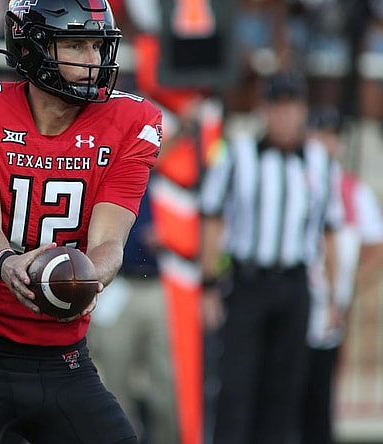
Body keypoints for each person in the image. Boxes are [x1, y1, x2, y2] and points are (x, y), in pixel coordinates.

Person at [0, 1, 162, 442]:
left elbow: (110, 240)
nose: (94, 61)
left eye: (98, 46)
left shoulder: (133, 121)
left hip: (63, 359)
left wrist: (91, 276)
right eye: (75, 44)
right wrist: (5, 262)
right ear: (30, 43)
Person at [199, 71, 345, 444]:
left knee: (284, 390)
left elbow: (329, 232)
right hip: (248, 283)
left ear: (303, 110)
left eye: (291, 108)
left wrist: (331, 296)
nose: (284, 117)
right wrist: (209, 284)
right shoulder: (238, 154)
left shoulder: (320, 161)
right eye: (277, 108)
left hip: (296, 284)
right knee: (236, 386)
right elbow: (212, 218)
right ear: (264, 110)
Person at [296, 107, 383, 444]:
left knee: (319, 389)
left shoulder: (350, 190)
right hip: (293, 298)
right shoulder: (295, 175)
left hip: (328, 308)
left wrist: (349, 285)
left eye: (332, 136)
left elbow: (374, 244)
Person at [88, 185, 180, 444]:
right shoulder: (123, 168)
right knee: (113, 385)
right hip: (119, 285)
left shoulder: (175, 177)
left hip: (162, 286)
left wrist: (171, 234)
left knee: (169, 387)